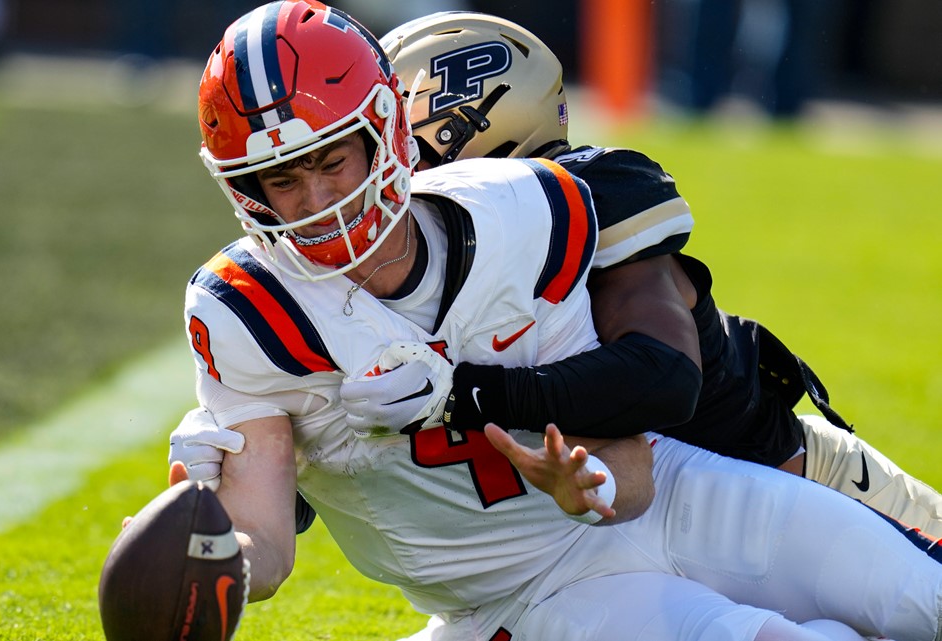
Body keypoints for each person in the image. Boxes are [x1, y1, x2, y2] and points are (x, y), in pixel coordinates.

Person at [170, 2, 942, 640]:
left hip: (726, 469)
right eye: (281, 176)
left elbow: (650, 411)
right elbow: (277, 525)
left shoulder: (531, 211)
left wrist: (469, 399)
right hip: (540, 587)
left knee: (921, 598)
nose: (320, 202)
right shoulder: (246, 312)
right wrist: (217, 515)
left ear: (392, 134)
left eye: (335, 160)